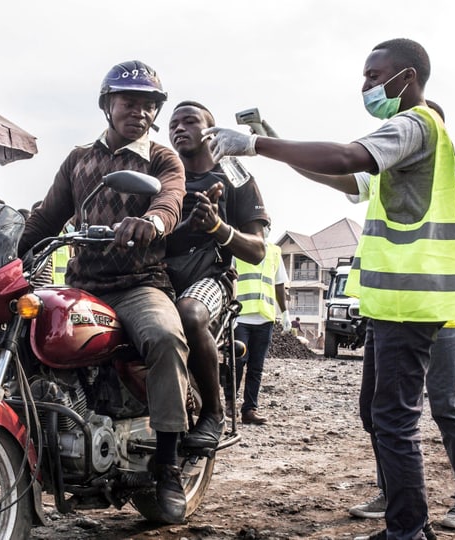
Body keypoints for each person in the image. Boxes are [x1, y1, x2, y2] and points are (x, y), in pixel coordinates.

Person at [206, 38, 455, 540]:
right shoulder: (404, 148)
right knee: (377, 412)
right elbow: (342, 174)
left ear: (408, 77)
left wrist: (256, 146)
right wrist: (274, 142)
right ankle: (409, 524)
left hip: (409, 301)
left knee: (394, 419)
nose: (366, 86)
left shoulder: (414, 125)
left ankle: (408, 532)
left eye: (375, 76)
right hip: (390, 303)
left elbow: (346, 153)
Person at [18, 60, 189, 524]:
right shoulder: (78, 159)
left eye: (149, 104)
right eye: (129, 101)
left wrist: (151, 222)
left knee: (165, 337)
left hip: (138, 285)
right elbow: (48, 217)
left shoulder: (161, 158)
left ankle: (168, 465)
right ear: (106, 104)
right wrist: (14, 246)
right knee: (20, 337)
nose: (140, 111)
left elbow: (169, 199)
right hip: (83, 286)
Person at [342, 101, 455, 531]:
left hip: (440, 306)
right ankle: (395, 496)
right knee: (378, 410)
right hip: (393, 304)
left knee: (445, 402)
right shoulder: (387, 170)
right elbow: (348, 181)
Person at [165, 101, 269, 451]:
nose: (179, 128)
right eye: (173, 123)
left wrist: (217, 227)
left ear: (211, 131)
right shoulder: (164, 177)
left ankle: (214, 413)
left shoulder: (236, 177)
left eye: (190, 121)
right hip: (160, 276)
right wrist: (184, 226)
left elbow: (256, 250)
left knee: (190, 314)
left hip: (211, 278)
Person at [230, 239, 289, 426]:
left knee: (256, 367)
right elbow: (229, 278)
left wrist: (285, 312)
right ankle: (230, 405)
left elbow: (279, 284)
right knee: (237, 363)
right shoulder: (237, 246)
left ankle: (249, 410)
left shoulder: (275, 251)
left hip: (265, 317)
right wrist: (229, 312)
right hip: (241, 317)